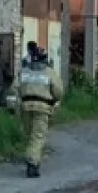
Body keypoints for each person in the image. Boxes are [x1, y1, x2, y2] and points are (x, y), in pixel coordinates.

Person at [18, 41, 63, 178]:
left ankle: (32, 158)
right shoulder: (49, 73)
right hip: (43, 108)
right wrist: (54, 101)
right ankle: (32, 163)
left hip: (25, 107)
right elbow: (58, 92)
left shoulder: (24, 72)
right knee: (38, 136)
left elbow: (14, 88)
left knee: (30, 134)